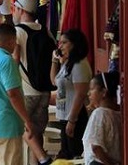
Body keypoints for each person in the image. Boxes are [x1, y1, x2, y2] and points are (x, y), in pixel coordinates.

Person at [0, 24, 52, 165]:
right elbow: (13, 94)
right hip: (6, 125)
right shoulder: (7, 62)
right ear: (11, 41)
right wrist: (27, 120)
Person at [13, 0, 54, 165]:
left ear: (21, 10)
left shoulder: (18, 32)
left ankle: (43, 159)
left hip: (26, 90)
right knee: (37, 134)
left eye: (15, 8)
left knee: (25, 130)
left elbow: (15, 59)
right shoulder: (46, 31)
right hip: (44, 90)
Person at [51, 28, 93, 159]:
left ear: (74, 44)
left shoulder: (80, 64)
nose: (60, 46)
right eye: (60, 43)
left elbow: (80, 94)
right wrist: (55, 61)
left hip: (75, 115)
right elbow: (54, 81)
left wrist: (72, 120)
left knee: (75, 153)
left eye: (64, 43)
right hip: (64, 115)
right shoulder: (68, 63)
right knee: (66, 154)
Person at [82, 72, 122, 165]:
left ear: (103, 92)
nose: (89, 94)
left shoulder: (99, 113)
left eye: (92, 89)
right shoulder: (118, 114)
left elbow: (96, 147)